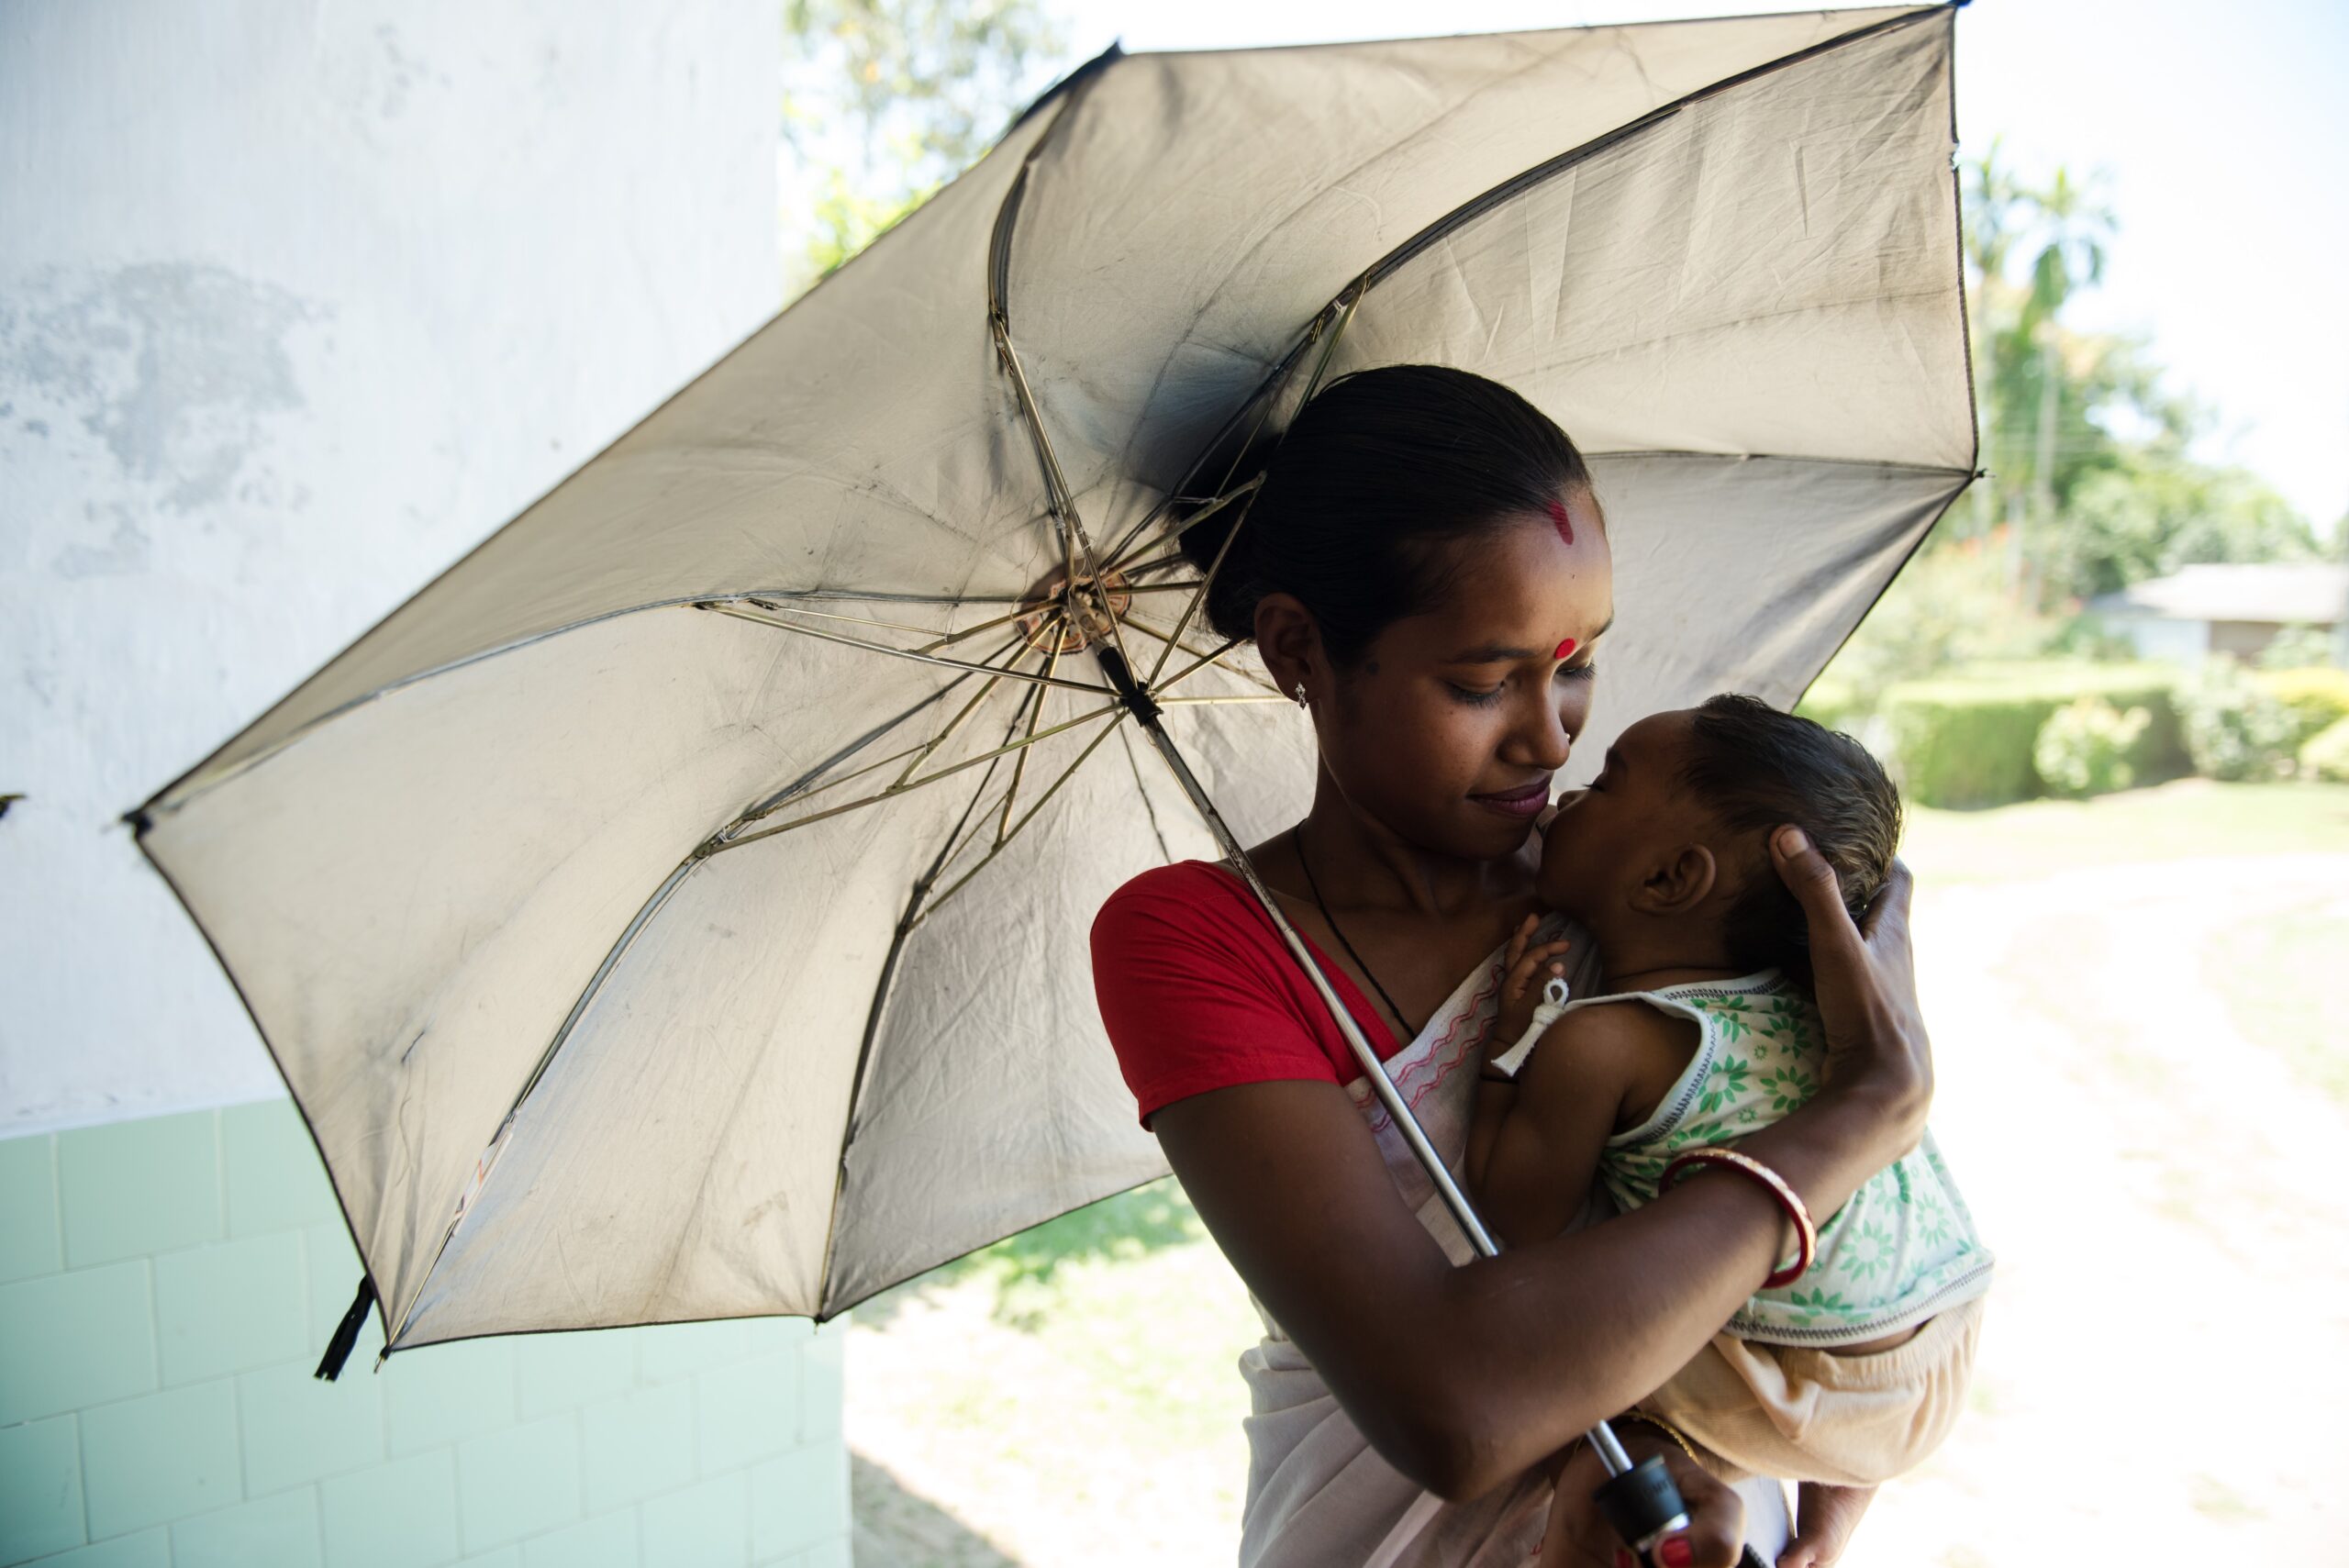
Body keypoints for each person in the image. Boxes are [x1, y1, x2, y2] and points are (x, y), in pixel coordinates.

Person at [1089, 364, 1935, 1568]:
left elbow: (1835, 1258)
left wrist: (1805, 1469)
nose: (1551, 735)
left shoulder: (1639, 881)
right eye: (1485, 683)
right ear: (1300, 649)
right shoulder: (1203, 942)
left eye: (1576, 662)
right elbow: (1455, 1407)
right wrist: (1863, 1117)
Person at [1465, 696, 1993, 1568]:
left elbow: (1512, 1217)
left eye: (1603, 784)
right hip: (1942, 1333)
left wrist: (1500, 1058)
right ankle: (1833, 1485)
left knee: (1572, 1342)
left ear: (1670, 879)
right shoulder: (1832, 1019)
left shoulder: (1602, 1043)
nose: (1564, 795)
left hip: (1798, 1387)